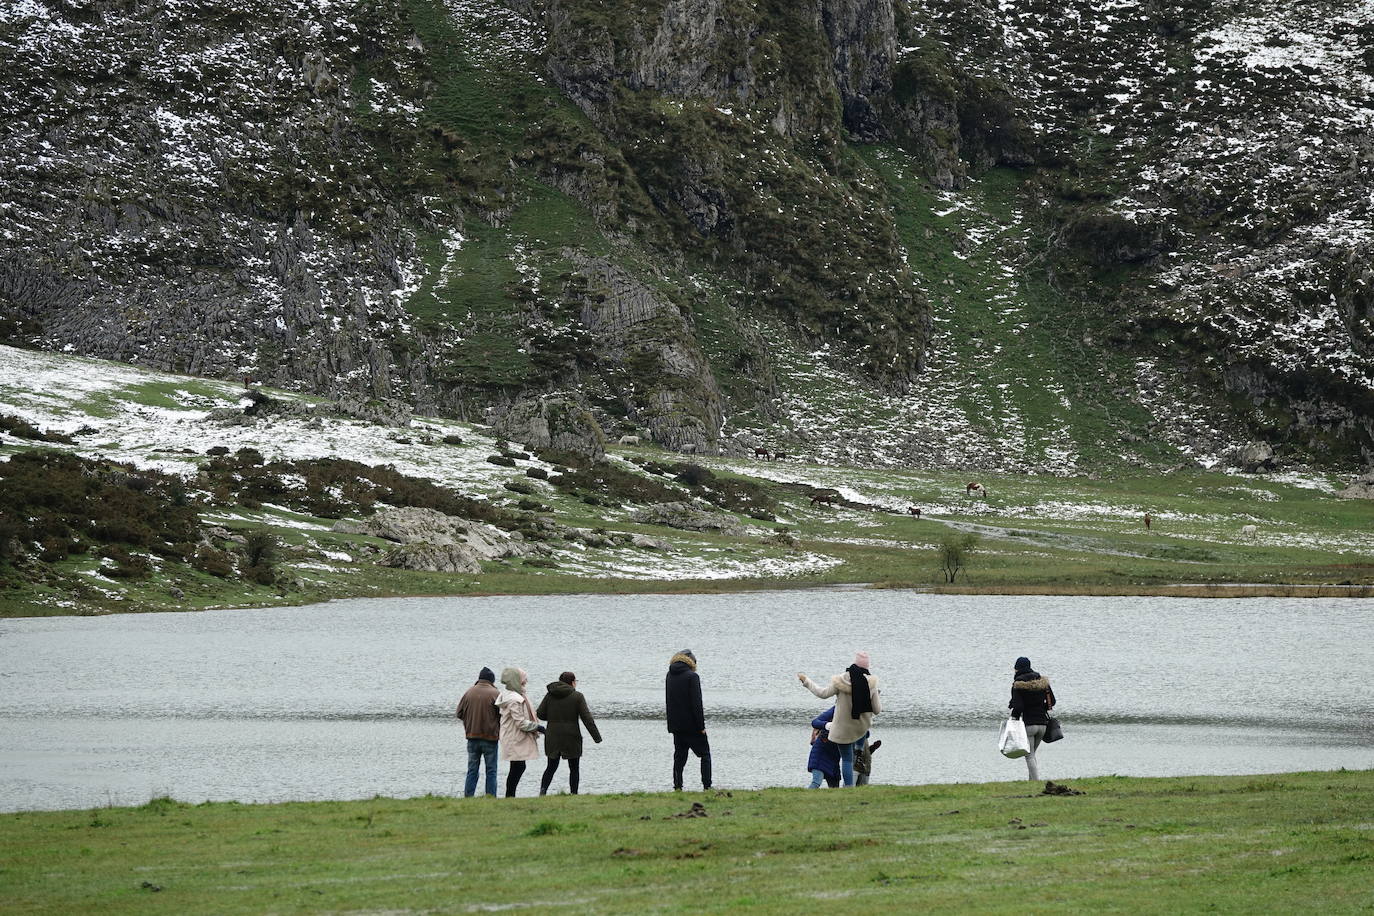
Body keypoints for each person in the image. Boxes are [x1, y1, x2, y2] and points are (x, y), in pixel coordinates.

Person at [798, 651, 880, 787]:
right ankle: (859, 748)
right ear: (867, 667)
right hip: (860, 728)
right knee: (862, 734)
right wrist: (874, 694)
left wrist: (807, 681)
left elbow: (822, 693)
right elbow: (877, 710)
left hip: (843, 730)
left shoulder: (840, 681)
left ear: (854, 663)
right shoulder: (870, 683)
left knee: (847, 760)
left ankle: (848, 787)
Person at [536, 672, 603, 795]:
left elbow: (540, 714)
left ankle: (543, 791)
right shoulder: (577, 696)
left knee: (551, 767)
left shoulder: (550, 695)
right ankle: (573, 793)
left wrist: (553, 717)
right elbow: (587, 719)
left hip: (553, 736)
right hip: (571, 736)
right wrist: (597, 737)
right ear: (572, 682)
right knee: (574, 768)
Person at [665, 649, 711, 791]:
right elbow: (697, 704)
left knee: (679, 757)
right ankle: (707, 786)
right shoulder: (692, 677)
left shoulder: (669, 675)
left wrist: (671, 726)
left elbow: (669, 701)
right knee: (705, 755)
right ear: (692, 662)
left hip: (676, 726)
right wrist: (701, 726)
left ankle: (677, 786)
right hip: (692, 726)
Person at [495, 667, 542, 797]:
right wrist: (538, 727)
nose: (525, 681)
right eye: (523, 679)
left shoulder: (511, 695)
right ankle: (510, 795)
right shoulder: (514, 699)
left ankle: (510, 795)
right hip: (514, 737)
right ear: (516, 680)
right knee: (518, 767)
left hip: (512, 736)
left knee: (517, 767)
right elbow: (520, 722)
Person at [1008, 656, 1056, 781]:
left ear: (1018, 668)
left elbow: (1018, 706)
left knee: (1029, 756)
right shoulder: (1042, 682)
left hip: (1029, 725)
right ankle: (1031, 782)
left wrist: (1013, 720)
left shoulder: (1018, 684)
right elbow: (1052, 702)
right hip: (1043, 725)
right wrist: (1041, 708)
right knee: (1032, 754)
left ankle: (1035, 783)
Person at [455, 666, 500, 797]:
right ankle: (490, 797)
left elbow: (459, 713)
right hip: (490, 738)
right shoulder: (496, 694)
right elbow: (502, 715)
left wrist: (469, 722)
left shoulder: (469, 692)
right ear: (492, 680)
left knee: (472, 770)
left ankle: (468, 796)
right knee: (491, 770)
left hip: (472, 737)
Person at [807, 706, 840, 788]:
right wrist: (828, 725)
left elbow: (866, 733)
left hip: (834, 756)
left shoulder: (856, 711)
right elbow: (815, 722)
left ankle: (834, 800)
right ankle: (802, 799)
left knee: (835, 786)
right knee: (816, 782)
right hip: (821, 753)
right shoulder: (836, 709)